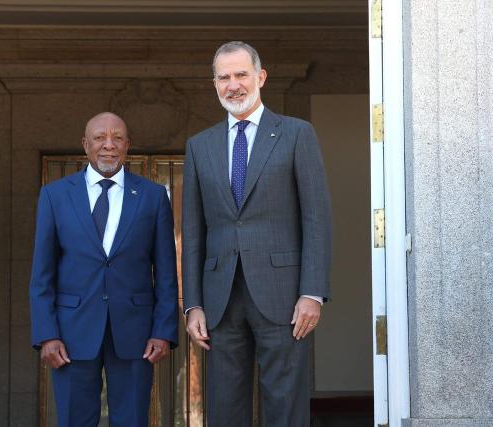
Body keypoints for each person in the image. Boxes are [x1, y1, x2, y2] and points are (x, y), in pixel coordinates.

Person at [182, 41, 332, 426]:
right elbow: (194, 231)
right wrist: (193, 303)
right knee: (224, 409)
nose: (233, 85)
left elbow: (317, 218)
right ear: (214, 83)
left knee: (285, 405)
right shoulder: (200, 146)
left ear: (260, 77)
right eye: (224, 77)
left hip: (284, 298)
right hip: (220, 300)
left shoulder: (297, 134)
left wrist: (311, 292)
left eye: (241, 74)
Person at [29, 112, 178, 427]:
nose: (108, 145)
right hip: (70, 333)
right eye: (99, 138)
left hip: (136, 332)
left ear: (128, 145)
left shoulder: (153, 197)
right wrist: (47, 334)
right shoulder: (55, 196)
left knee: (132, 420)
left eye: (117, 138)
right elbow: (42, 274)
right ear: (85, 145)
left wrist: (163, 330)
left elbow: (165, 273)